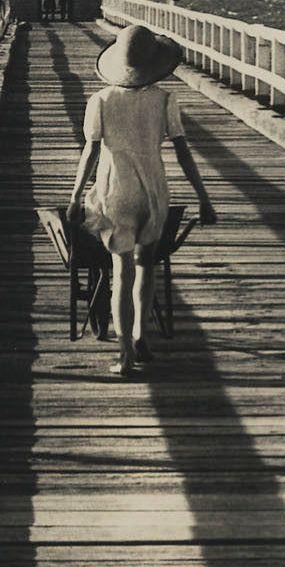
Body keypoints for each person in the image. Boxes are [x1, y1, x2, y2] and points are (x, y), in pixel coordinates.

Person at [66, 24, 217, 377]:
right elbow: (183, 153)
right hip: (153, 192)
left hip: (115, 191)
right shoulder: (164, 100)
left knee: (121, 271)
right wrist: (203, 197)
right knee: (146, 265)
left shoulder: (100, 100)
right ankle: (141, 336)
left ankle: (124, 355)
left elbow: (90, 153)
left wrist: (74, 197)